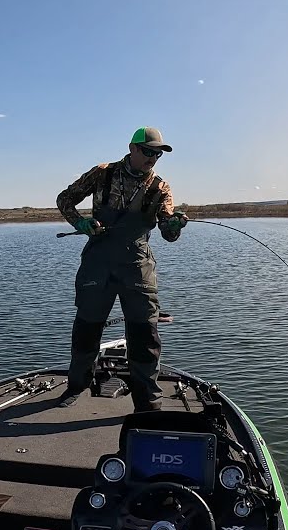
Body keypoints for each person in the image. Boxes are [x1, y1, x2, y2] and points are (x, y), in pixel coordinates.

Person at [55, 127, 188, 411]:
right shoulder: (103, 173)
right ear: (133, 148)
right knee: (86, 330)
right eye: (149, 151)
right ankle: (76, 387)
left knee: (144, 336)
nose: (153, 158)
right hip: (97, 264)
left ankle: (148, 402)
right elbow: (64, 199)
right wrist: (80, 223)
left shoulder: (161, 188)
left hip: (137, 267)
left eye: (158, 154)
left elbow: (168, 232)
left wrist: (174, 225)